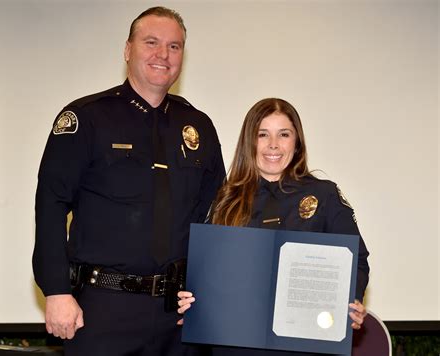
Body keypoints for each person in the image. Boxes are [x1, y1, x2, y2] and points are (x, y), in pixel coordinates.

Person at [33, 6, 225, 356]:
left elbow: (214, 217)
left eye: (174, 46)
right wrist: (56, 291)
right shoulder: (86, 118)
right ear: (127, 50)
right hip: (104, 311)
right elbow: (51, 204)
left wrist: (209, 293)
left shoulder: (198, 126)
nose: (162, 55)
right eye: (151, 42)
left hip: (178, 316)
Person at [177, 98, 370, 355]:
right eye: (262, 134)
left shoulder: (324, 195)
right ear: (249, 141)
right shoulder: (224, 198)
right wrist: (190, 299)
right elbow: (204, 268)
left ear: (297, 142)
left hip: (305, 344)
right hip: (235, 345)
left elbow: (356, 260)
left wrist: (350, 301)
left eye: (284, 134)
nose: (273, 145)